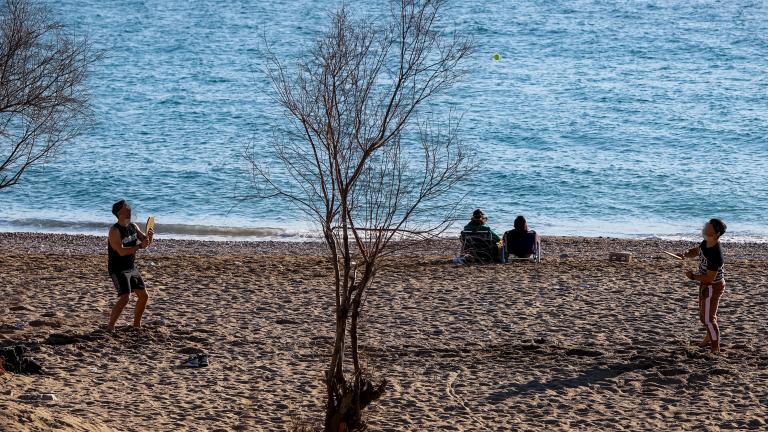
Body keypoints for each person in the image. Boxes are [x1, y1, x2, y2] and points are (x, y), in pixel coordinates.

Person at [680, 218, 727, 354]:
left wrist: (693, 277)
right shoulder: (706, 243)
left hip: (713, 286)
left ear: (715, 235)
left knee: (708, 318)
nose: (704, 230)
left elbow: (709, 277)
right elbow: (697, 251)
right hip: (706, 285)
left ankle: (715, 347)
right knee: (705, 316)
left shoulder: (716, 255)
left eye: (707, 229)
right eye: (705, 227)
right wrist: (685, 255)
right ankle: (708, 337)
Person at [106, 199, 153, 332]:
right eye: (126, 208)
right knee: (125, 297)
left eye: (129, 207)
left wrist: (149, 238)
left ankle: (136, 325)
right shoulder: (114, 231)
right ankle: (110, 327)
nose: (129, 209)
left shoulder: (133, 226)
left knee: (144, 296)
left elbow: (145, 242)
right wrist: (139, 246)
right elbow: (121, 251)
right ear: (119, 213)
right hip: (117, 268)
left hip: (131, 267)